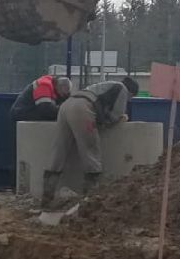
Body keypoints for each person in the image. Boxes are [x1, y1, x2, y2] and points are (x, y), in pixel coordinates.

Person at [41, 76, 139, 208]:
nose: (129, 100)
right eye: (130, 98)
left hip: (66, 106)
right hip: (83, 109)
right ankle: (89, 200)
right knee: (91, 152)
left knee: (58, 151)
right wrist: (120, 119)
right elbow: (115, 115)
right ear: (131, 92)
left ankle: (46, 199)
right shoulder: (122, 89)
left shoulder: (104, 86)